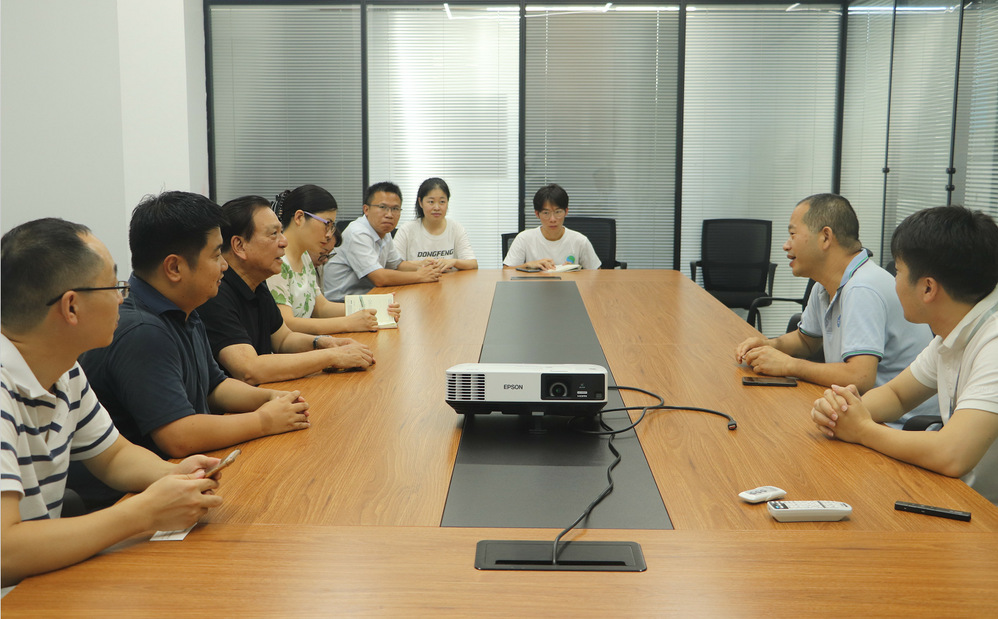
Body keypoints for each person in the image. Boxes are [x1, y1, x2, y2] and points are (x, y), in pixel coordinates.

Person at [1, 218, 222, 587]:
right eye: (114, 286)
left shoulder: (64, 370)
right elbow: (5, 551)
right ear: (71, 307)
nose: (123, 297)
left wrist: (175, 476)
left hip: (41, 581)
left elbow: (114, 456)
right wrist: (144, 513)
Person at [70, 192, 311, 510]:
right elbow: (179, 435)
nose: (224, 265)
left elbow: (215, 386)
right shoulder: (142, 330)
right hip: (128, 499)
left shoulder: (185, 308)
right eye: (216, 255)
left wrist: (270, 398)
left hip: (175, 479)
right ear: (174, 267)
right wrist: (264, 420)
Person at [811, 206, 998, 504]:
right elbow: (897, 395)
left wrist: (861, 430)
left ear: (928, 288)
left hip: (984, 514)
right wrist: (841, 412)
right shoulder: (955, 328)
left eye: (897, 271)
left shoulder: (993, 341)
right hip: (957, 497)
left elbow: (952, 454)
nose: (893, 281)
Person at [735, 194, 934, 413]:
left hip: (897, 422)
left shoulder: (862, 287)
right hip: (860, 409)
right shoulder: (824, 285)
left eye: (792, 234)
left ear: (825, 237)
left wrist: (788, 364)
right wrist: (768, 346)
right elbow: (806, 341)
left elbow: (860, 377)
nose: (786, 245)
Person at [198, 195, 375, 384]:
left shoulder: (257, 283)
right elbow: (248, 370)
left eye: (281, 232)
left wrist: (323, 343)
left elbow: (283, 340)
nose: (284, 241)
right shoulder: (216, 293)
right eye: (273, 234)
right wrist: (331, 357)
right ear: (239, 246)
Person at [268, 184, 400, 335]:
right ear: (299, 218)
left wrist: (378, 309)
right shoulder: (277, 260)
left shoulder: (304, 256)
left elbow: (321, 308)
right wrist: (348, 323)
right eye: (327, 224)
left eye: (332, 226)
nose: (329, 234)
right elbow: (286, 323)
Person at [322, 181, 446, 302]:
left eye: (395, 208)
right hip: (341, 302)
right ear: (366, 209)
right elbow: (379, 278)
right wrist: (420, 275)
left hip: (368, 296)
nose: (389, 215)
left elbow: (397, 265)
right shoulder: (358, 233)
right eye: (382, 207)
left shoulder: (384, 232)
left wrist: (424, 266)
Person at [503, 183, 601, 271]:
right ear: (537, 214)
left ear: (566, 212)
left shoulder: (580, 241)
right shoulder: (524, 239)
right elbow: (506, 271)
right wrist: (527, 265)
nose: (552, 219)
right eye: (546, 213)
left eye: (558, 212)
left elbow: (597, 274)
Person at [393, 177, 478, 271]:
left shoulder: (456, 228)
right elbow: (394, 265)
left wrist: (453, 262)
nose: (437, 207)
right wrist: (420, 264)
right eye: (431, 202)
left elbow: (473, 264)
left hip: (450, 280)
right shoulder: (406, 230)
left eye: (442, 202)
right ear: (420, 202)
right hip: (418, 279)